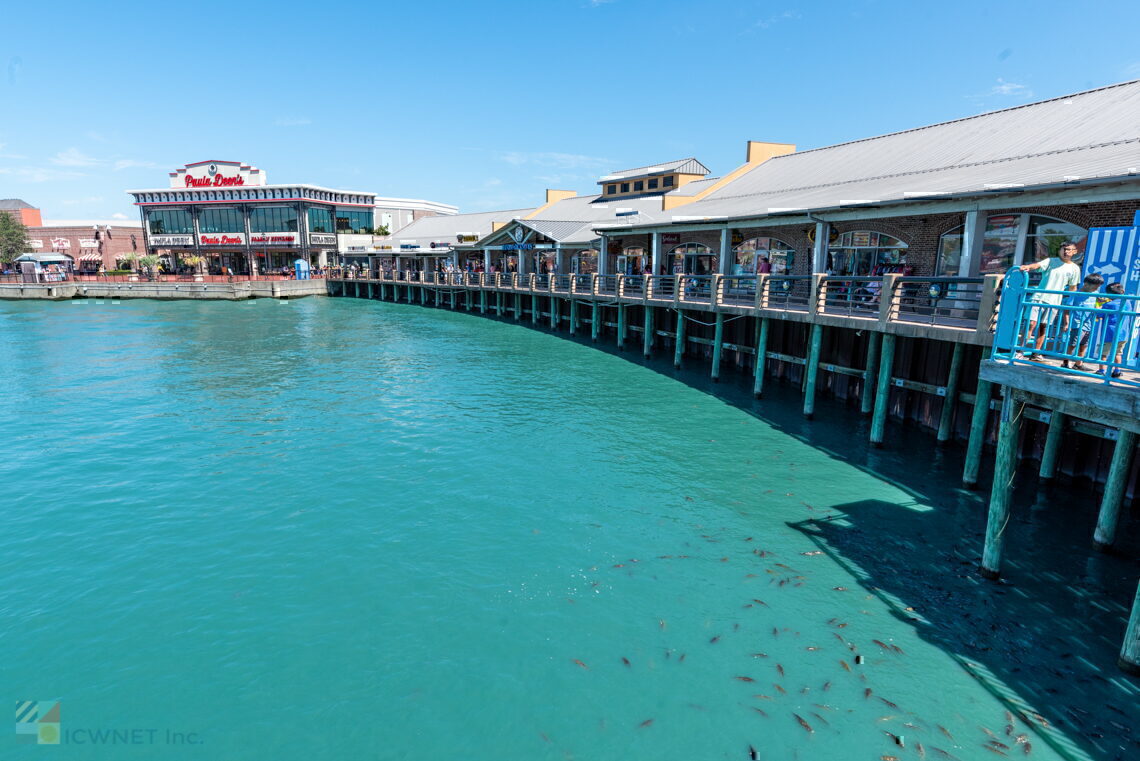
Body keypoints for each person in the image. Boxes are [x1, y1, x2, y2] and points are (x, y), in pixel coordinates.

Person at [1017, 242, 1081, 360]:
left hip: (1054, 302)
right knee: (1030, 324)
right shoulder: (1051, 261)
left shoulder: (1075, 268)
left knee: (1043, 327)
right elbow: (1037, 265)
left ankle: (1035, 353)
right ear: (1060, 250)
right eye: (1064, 249)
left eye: (1069, 250)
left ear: (1074, 252)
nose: (1066, 252)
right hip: (1038, 298)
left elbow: (1073, 288)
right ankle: (1020, 350)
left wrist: (1070, 303)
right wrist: (1028, 267)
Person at [1060, 273, 1104, 370]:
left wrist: (1100, 305)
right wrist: (1067, 323)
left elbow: (1098, 307)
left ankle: (1078, 364)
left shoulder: (1096, 294)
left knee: (1084, 345)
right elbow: (1066, 309)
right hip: (1077, 324)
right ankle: (1065, 362)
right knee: (1073, 344)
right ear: (1086, 284)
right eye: (1095, 286)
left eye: (1098, 287)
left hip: (1089, 324)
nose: (1096, 288)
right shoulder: (1076, 294)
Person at [1096, 282, 1131, 378]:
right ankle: (1117, 371)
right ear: (1123, 291)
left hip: (1109, 334)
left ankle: (1102, 370)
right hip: (1123, 334)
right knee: (1118, 353)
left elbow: (1099, 315)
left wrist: (1099, 304)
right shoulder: (1127, 302)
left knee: (1103, 354)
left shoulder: (1108, 305)